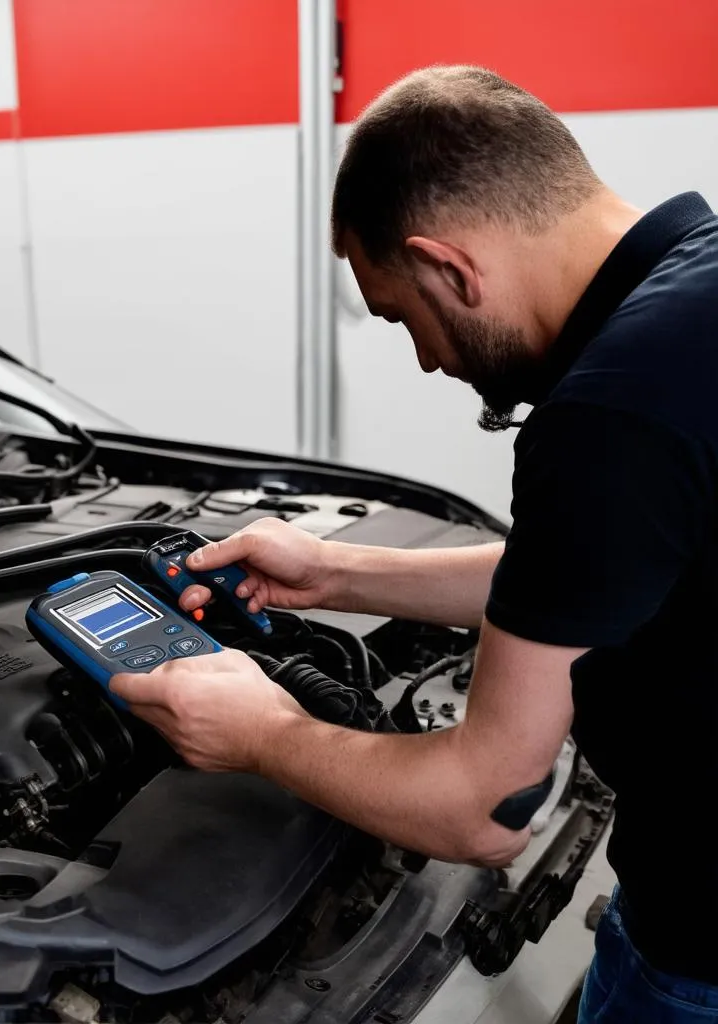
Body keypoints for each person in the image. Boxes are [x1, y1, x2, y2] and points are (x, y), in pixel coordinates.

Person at [109, 66, 718, 1022]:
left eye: (405, 319)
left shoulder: (614, 408)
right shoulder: (697, 298)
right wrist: (336, 573)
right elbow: (595, 577)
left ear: (451, 268)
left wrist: (263, 732)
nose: (430, 358)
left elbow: (484, 808)